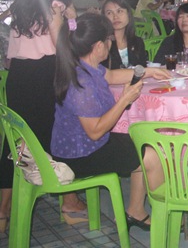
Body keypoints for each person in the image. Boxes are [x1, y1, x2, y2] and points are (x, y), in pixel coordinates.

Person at [51, 13, 166, 230]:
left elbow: (112, 76)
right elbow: (95, 132)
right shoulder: (82, 83)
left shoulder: (85, 66)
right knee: (153, 155)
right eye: (108, 40)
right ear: (98, 46)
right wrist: (124, 100)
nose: (110, 43)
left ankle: (136, 211)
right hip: (80, 154)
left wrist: (150, 72)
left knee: (142, 143)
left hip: (84, 145)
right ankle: (166, 214)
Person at [0, 0, 83, 230]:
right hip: (46, 74)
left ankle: (3, 211)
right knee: (59, 132)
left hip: (18, 76)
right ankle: (69, 201)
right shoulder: (57, 2)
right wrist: (73, 18)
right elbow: (63, 43)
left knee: (18, 142)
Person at [101, 0, 148, 69]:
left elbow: (142, 69)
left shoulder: (137, 42)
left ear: (128, 14)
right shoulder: (101, 44)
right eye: (109, 13)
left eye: (119, 11)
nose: (115, 17)